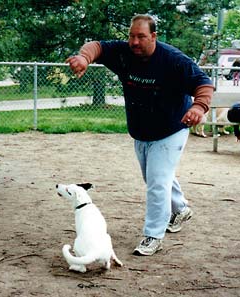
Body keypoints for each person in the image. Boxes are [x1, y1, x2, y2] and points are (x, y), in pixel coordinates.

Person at [66, 14, 213, 256]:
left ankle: (153, 235)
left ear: (154, 36)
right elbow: (98, 47)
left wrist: (199, 107)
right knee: (156, 177)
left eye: (141, 37)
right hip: (142, 131)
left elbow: (203, 83)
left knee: (157, 182)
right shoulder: (124, 53)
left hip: (172, 128)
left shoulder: (173, 60)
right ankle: (181, 209)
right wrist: (84, 57)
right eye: (131, 36)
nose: (134, 42)